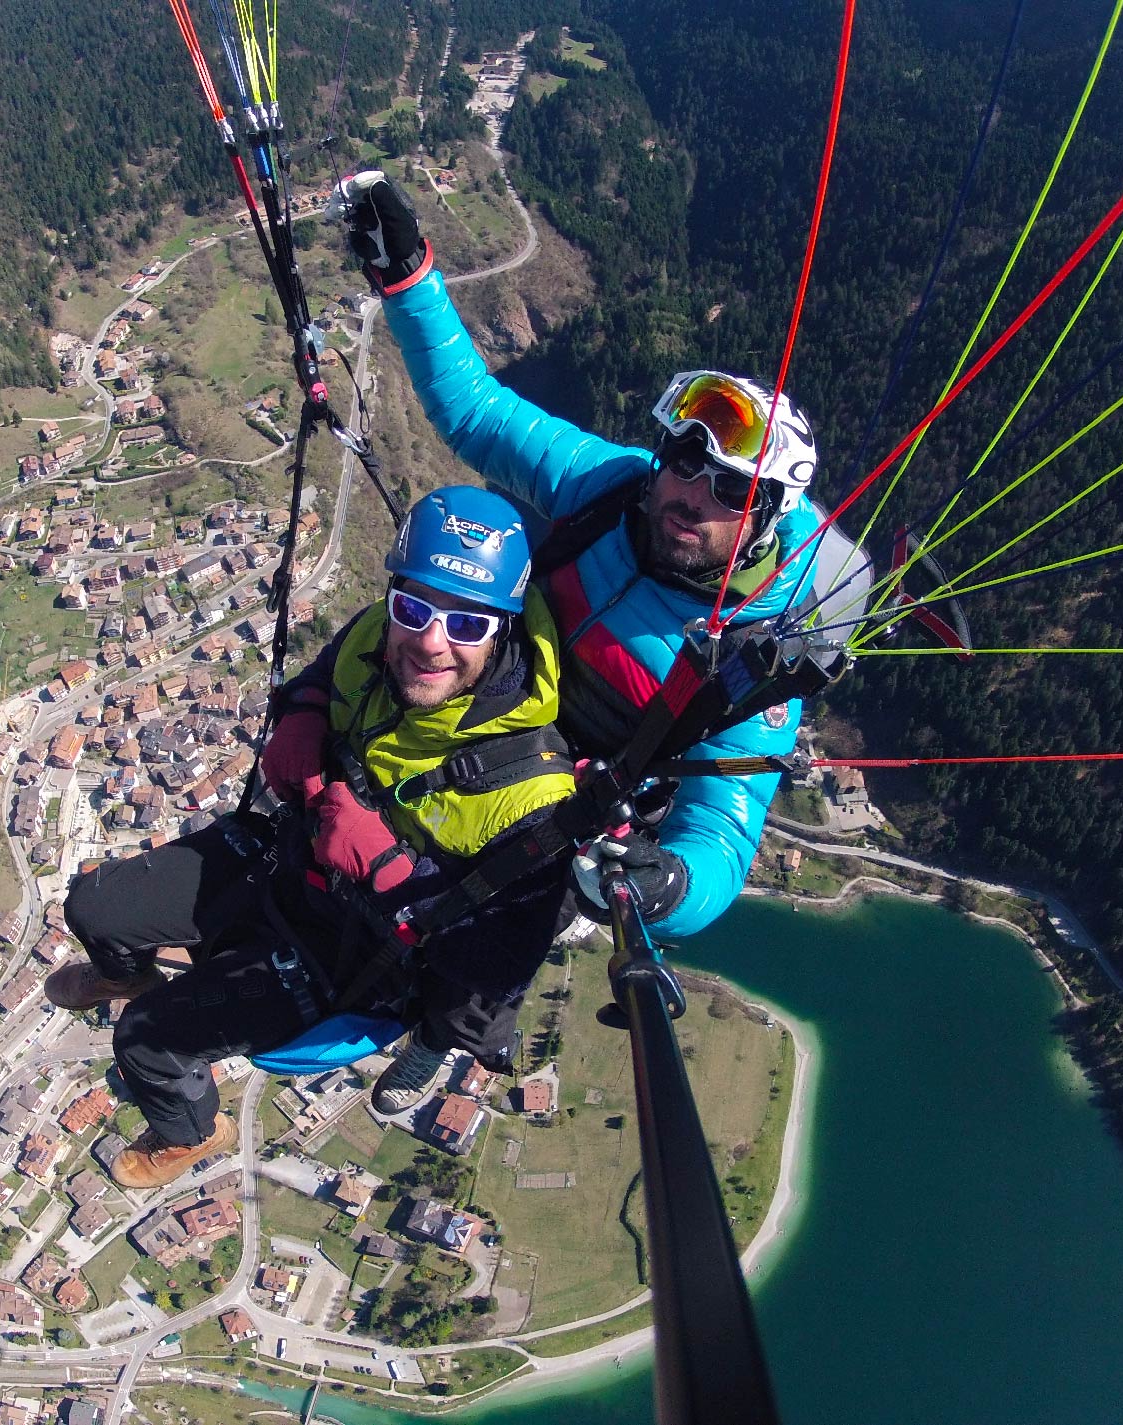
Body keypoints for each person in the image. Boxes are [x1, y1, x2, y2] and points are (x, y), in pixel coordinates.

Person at [335, 172, 828, 941]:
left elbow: (724, 832)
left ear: (768, 513)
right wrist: (409, 278)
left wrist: (670, 887)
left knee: (456, 927)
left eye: (730, 490)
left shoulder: (754, 652)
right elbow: (474, 411)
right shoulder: (612, 487)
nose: (689, 495)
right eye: (681, 463)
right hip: (482, 691)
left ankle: (445, 1029)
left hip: (560, 803)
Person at [44, 485, 577, 1189]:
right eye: (413, 609)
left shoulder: (532, 794)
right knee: (92, 907)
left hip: (360, 955)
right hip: (287, 860)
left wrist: (392, 871)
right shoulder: (375, 637)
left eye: (466, 624)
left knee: (144, 1041)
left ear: (504, 629)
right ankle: (126, 969)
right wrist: (302, 711)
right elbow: (325, 676)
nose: (429, 641)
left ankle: (193, 1129)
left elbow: (496, 967)